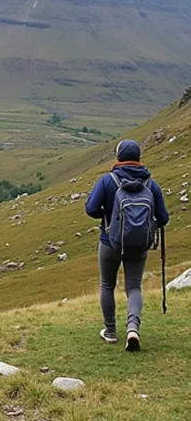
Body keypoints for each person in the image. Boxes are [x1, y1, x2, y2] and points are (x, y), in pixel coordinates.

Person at [85, 139, 169, 351]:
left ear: (119, 156)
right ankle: (133, 328)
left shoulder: (107, 180)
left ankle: (110, 331)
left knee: (107, 285)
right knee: (133, 287)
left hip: (109, 242)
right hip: (139, 245)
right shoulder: (151, 184)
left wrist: (107, 217)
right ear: (139, 157)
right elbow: (163, 218)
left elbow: (91, 209)